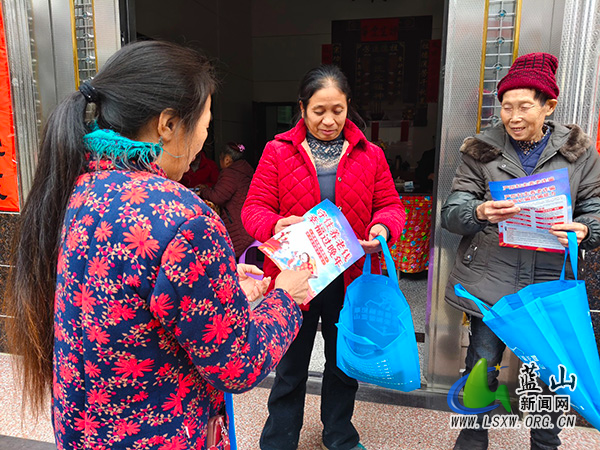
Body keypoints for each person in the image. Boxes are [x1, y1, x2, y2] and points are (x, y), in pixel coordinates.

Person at [2, 40, 312, 449]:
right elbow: (239, 365)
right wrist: (286, 298)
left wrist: (222, 282)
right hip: (159, 434)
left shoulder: (79, 189)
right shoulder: (184, 218)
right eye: (205, 124)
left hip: (85, 431)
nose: (204, 139)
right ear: (168, 125)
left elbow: (130, 294)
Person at [242, 65, 405, 450]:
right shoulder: (277, 151)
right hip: (295, 279)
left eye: (337, 110)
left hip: (349, 277)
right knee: (290, 366)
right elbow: (253, 208)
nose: (329, 120)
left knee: (343, 362)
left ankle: (340, 435)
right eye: (319, 111)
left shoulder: (371, 154)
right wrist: (279, 222)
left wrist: (381, 229)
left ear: (348, 107)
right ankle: (280, 439)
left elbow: (390, 205)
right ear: (302, 109)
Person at [442, 53, 600, 450]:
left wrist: (585, 229)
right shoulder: (481, 150)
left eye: (524, 106)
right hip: (490, 282)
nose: (513, 116)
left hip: (549, 281)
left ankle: (545, 445)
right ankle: (472, 442)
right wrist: (477, 211)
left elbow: (595, 210)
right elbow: (452, 211)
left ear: (548, 106)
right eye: (506, 106)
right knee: (481, 368)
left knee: (549, 375)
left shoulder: (580, 155)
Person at [197, 141, 255, 258]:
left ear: (227, 160)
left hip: (239, 231)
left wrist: (202, 192)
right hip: (250, 227)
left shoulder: (230, 173)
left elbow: (217, 197)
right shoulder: (246, 171)